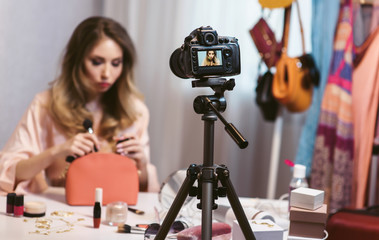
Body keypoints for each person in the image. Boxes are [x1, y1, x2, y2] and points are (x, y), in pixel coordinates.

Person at [0, 16, 160, 194]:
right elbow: (9, 173)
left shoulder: (135, 111)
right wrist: (57, 151)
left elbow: (144, 189)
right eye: (97, 62)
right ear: (77, 60)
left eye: (116, 63)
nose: (107, 74)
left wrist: (143, 165)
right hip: (61, 211)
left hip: (116, 211)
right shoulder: (45, 105)